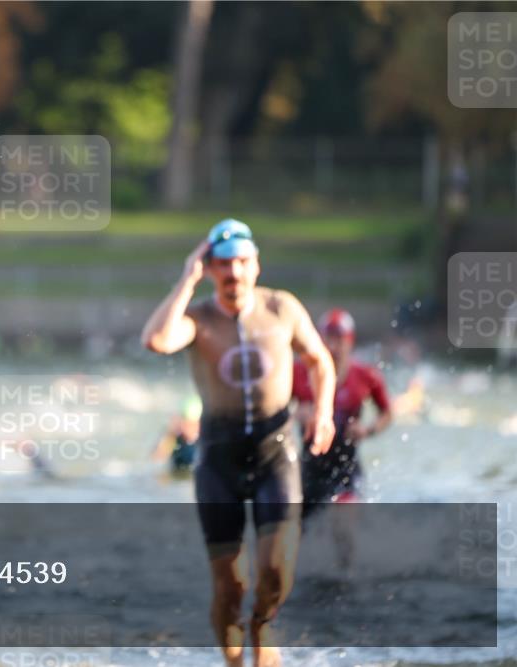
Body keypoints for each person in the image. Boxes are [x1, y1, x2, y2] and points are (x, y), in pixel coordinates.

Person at [141, 219, 335, 667]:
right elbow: (155, 340)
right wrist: (187, 279)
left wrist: (322, 411)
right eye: (223, 264)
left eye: (242, 262)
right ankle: (233, 662)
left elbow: (320, 361)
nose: (234, 273)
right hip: (218, 459)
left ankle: (263, 627)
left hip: (276, 452)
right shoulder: (198, 318)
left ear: (256, 265)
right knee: (231, 588)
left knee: (275, 573)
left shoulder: (282, 308)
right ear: (210, 271)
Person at [293, 309, 392, 521]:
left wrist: (367, 430)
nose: (334, 347)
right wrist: (295, 413)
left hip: (347, 468)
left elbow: (387, 413)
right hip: (311, 468)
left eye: (340, 340)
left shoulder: (366, 376)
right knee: (299, 534)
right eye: (329, 339)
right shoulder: (298, 373)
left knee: (344, 528)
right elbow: (272, 406)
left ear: (351, 342)